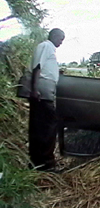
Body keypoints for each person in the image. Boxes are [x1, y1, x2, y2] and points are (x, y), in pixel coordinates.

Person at [28, 28, 65, 171]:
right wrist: (34, 89)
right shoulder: (45, 46)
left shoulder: (50, 49)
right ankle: (46, 162)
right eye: (61, 39)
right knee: (48, 126)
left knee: (41, 127)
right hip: (41, 93)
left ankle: (38, 162)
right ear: (54, 36)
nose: (61, 42)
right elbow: (37, 68)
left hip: (44, 93)